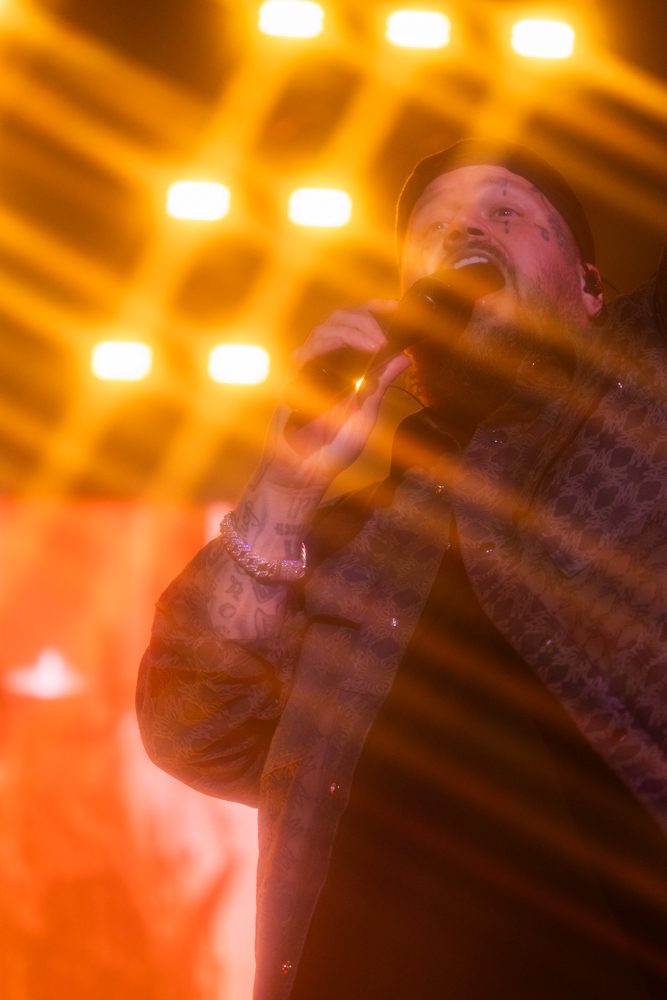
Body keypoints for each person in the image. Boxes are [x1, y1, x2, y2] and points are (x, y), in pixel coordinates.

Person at [136, 139, 667, 1000]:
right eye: (434, 230)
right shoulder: (343, 536)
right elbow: (193, 730)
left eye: (504, 211)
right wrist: (286, 486)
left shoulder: (647, 395)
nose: (465, 233)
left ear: (590, 289)